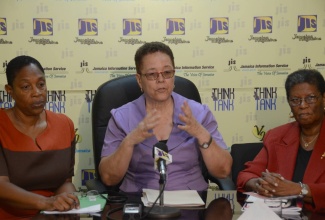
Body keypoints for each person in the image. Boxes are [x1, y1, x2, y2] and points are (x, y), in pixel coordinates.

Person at [99, 42, 232, 193]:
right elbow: (108, 178)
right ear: (139, 79)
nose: (161, 80)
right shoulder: (121, 117)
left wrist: (199, 132)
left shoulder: (198, 113)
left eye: (167, 73)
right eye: (152, 74)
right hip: (138, 201)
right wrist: (130, 141)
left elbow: (224, 171)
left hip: (192, 201)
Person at [0, 55, 79, 219]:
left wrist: (68, 200)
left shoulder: (64, 125)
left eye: (41, 84)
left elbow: (65, 181)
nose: (37, 93)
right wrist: (46, 203)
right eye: (26, 87)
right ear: (10, 91)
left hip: (51, 214)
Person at [237, 69, 325, 213]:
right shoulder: (277, 136)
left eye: (310, 98)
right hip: (282, 214)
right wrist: (259, 184)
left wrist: (299, 189)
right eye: (295, 100)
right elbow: (246, 176)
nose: (302, 105)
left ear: (323, 98)